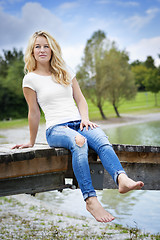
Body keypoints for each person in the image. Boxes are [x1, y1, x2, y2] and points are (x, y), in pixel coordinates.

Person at [12, 30, 144, 223]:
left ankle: (121, 179)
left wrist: (85, 119)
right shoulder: (30, 79)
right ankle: (90, 199)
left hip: (78, 122)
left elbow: (80, 99)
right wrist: (30, 142)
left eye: (46, 45)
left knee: (100, 138)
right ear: (32, 51)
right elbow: (33, 112)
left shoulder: (65, 69)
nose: (42, 50)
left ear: (52, 49)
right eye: (37, 46)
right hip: (56, 129)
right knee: (79, 142)